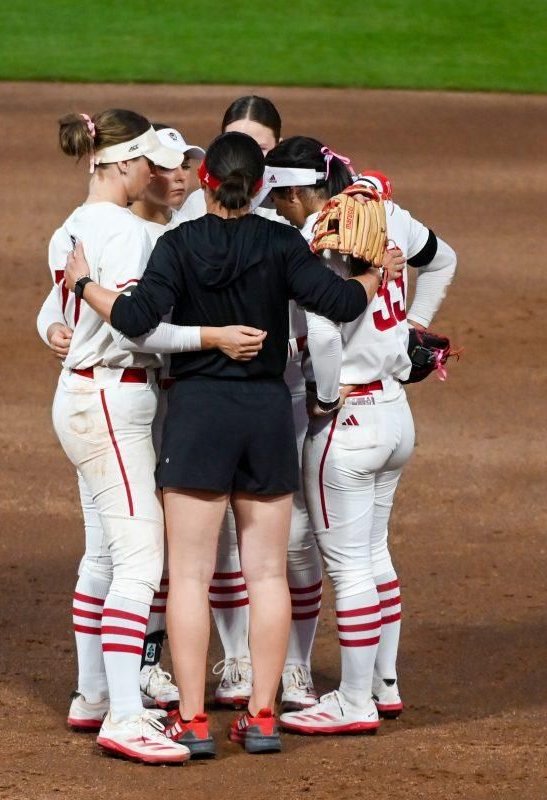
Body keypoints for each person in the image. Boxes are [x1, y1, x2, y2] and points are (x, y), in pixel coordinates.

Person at [65, 131, 396, 757]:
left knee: (187, 576)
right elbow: (345, 302)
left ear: (208, 183)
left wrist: (85, 289)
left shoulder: (176, 243)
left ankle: (192, 721)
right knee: (268, 573)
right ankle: (264, 716)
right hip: (267, 415)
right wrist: (380, 270)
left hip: (197, 416)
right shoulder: (281, 242)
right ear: (261, 185)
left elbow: (138, 321)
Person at [43, 109, 262, 764]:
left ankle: (92, 695)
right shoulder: (127, 235)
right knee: (142, 559)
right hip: (114, 399)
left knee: (106, 555)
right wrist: (212, 337)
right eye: (155, 163)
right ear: (129, 161)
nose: (166, 175)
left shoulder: (75, 225)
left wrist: (59, 330)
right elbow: (137, 326)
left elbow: (61, 311)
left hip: (83, 393)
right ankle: (127, 717)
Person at [263, 135, 457, 733]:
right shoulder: (384, 213)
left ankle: (352, 702)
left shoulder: (320, 234)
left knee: (346, 566)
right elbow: (444, 257)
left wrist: (321, 399)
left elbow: (322, 337)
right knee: (373, 554)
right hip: (396, 414)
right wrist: (413, 326)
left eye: (281, 200)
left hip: (346, 419)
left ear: (299, 191)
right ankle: (383, 682)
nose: (278, 210)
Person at [176, 95, 326, 711]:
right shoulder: (194, 216)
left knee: (292, 543)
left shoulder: (301, 211)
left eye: (262, 144)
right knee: (230, 549)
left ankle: (296, 665)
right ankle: (237, 662)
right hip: (244, 391)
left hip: (278, 387)